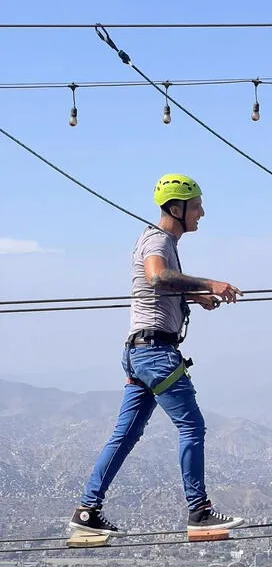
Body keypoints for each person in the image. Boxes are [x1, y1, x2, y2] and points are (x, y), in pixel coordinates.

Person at [70, 174, 245, 536]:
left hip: (138, 352)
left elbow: (159, 286)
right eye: (196, 206)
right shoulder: (158, 239)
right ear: (177, 208)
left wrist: (191, 297)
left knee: (125, 435)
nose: (202, 213)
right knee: (191, 426)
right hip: (155, 353)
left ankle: (87, 512)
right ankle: (199, 512)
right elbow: (155, 277)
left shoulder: (162, 241)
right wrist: (208, 284)